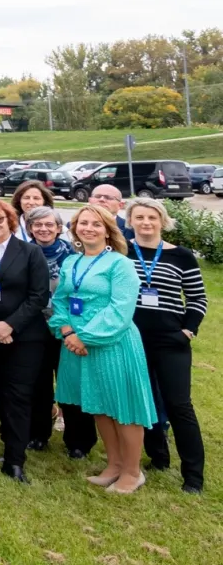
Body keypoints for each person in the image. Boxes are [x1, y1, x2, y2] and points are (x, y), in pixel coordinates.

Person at [50, 204, 157, 494]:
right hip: (76, 342)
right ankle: (114, 465)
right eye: (83, 223)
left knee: (123, 407)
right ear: (75, 229)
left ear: (108, 231)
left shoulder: (120, 264)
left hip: (112, 342)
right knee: (98, 405)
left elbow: (120, 309)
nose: (88, 228)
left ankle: (133, 472)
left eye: (96, 224)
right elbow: (60, 300)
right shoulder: (71, 262)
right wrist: (67, 330)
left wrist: (84, 336)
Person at [124, 198, 206, 494]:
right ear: (130, 220)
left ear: (162, 221)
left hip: (171, 341)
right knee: (142, 402)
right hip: (131, 340)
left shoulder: (182, 256)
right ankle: (158, 457)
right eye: (140, 217)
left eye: (152, 218)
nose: (146, 223)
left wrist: (187, 330)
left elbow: (197, 299)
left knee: (179, 405)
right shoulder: (121, 252)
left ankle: (193, 476)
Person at [0, 198, 53, 484]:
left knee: (17, 395)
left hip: (25, 336)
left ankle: (15, 460)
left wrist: (10, 325)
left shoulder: (30, 253)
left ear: (9, 221)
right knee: (0, 393)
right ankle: (10, 442)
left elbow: (39, 296)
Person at [24, 205, 89, 454]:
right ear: (30, 228)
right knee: (39, 384)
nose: (43, 229)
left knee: (71, 384)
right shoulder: (23, 253)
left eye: (49, 224)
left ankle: (78, 441)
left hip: (68, 329)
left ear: (59, 228)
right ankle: (38, 434)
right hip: (34, 329)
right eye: (37, 225)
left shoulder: (74, 255)